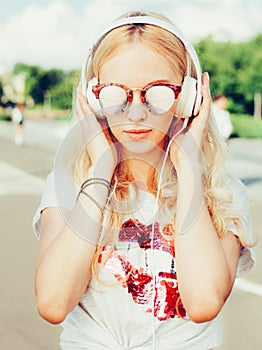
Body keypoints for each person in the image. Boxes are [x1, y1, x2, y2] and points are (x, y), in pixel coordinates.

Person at [33, 11, 256, 350]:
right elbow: (52, 302)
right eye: (115, 94)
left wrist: (189, 167)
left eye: (158, 93)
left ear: (189, 97)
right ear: (93, 99)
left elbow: (204, 303)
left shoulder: (221, 193)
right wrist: (101, 168)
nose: (136, 112)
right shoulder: (70, 182)